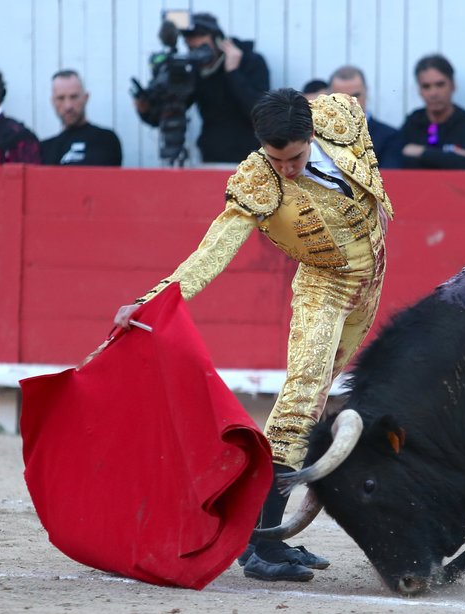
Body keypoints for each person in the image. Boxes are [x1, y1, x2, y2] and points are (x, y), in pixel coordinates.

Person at [113, 89, 392, 582]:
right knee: (300, 401)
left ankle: (270, 542)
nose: (285, 168)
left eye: (296, 157)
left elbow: (351, 141)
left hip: (372, 280)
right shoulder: (256, 182)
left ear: (312, 134)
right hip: (324, 285)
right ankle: (259, 546)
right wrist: (153, 301)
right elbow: (214, 250)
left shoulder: (342, 114)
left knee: (319, 395)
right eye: (275, 158)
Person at [134, 12, 270, 163]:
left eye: (202, 47)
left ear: (218, 40)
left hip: (250, 160)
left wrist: (233, 72)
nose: (197, 53)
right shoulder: (196, 71)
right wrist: (145, 108)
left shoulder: (250, 62)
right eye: (190, 47)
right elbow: (171, 111)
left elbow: (259, 113)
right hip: (212, 158)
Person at [399, 54, 465, 170]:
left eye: (440, 85)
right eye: (426, 87)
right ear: (420, 91)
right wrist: (449, 156)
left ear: (453, 86)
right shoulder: (413, 122)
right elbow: (396, 160)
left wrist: (421, 152)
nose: (433, 93)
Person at [40, 70, 122, 166]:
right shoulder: (45, 148)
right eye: (61, 98)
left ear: (85, 98)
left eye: (74, 97)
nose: (68, 106)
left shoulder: (106, 140)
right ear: (53, 101)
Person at [329, 64, 401, 169]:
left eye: (356, 96)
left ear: (366, 92)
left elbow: (389, 177)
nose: (350, 102)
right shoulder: (316, 135)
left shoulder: (389, 137)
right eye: (342, 97)